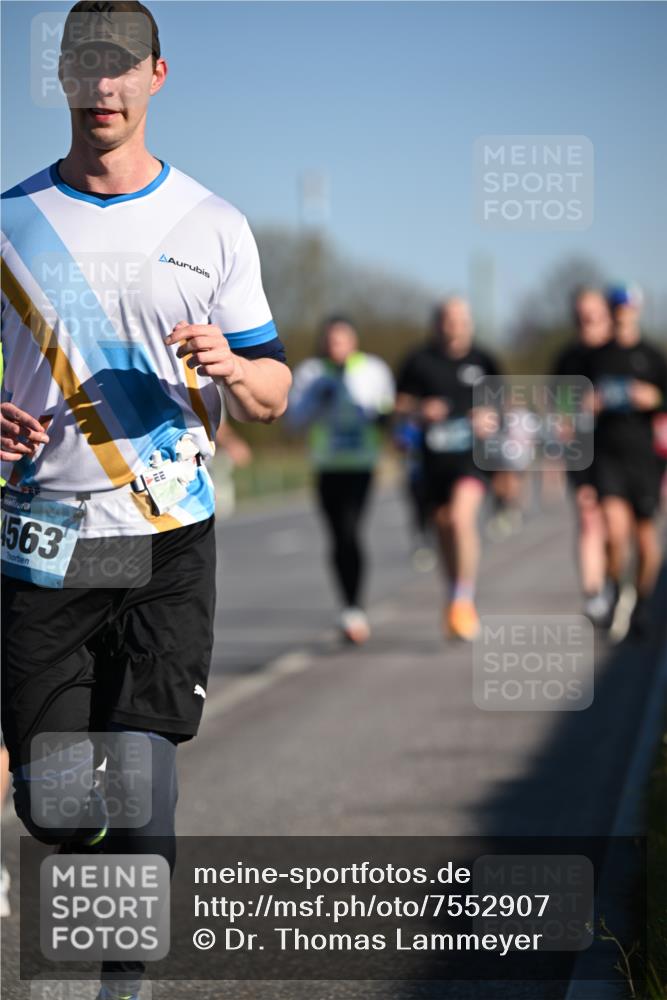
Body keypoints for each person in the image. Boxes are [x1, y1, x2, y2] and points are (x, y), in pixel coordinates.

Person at [0, 3, 291, 998]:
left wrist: (234, 369)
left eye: (120, 68)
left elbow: (274, 383)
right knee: (51, 797)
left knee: (142, 776)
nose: (103, 86)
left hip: (168, 537)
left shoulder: (211, 225)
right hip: (47, 541)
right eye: (85, 67)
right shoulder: (10, 223)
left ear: (155, 76)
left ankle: (125, 981)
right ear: (64, 80)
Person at [396, 298, 501, 641]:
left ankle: (463, 599)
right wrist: (421, 409)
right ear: (437, 323)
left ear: (469, 323)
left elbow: (503, 405)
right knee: (443, 526)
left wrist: (490, 417)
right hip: (432, 461)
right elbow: (398, 405)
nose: (453, 326)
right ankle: (456, 596)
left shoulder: (484, 361)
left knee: (460, 518)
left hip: (472, 458)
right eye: (447, 319)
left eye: (460, 319)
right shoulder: (418, 361)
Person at [288, 316, 395, 644]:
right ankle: (348, 605)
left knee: (351, 531)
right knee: (337, 536)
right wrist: (316, 400)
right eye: (331, 340)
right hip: (327, 465)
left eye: (342, 339)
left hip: (361, 463)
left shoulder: (373, 370)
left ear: (354, 341)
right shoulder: (310, 373)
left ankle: (354, 607)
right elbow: (292, 420)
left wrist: (376, 414)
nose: (336, 346)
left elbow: (389, 412)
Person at [586, 284, 667, 637]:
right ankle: (615, 589)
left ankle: (642, 605)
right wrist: (586, 403)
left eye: (629, 308)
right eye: (617, 308)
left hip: (645, 459)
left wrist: (654, 397)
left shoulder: (651, 356)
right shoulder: (595, 357)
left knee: (648, 545)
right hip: (607, 456)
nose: (623, 314)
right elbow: (566, 400)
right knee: (615, 531)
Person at [551, 288, 613, 624]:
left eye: (592, 312)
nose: (586, 320)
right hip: (583, 449)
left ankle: (617, 581)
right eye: (579, 314)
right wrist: (565, 420)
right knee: (589, 517)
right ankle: (593, 593)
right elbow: (558, 405)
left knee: (616, 523)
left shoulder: (623, 351)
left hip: (623, 449)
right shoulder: (567, 358)